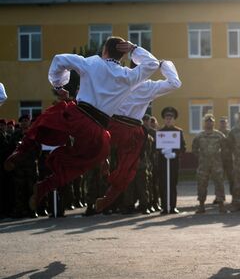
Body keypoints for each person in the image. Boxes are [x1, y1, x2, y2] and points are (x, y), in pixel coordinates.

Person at [4, 37, 159, 210]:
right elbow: (152, 64)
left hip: (77, 114)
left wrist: (58, 85)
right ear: (122, 55)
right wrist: (134, 49)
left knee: (44, 121)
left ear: (104, 50)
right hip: (97, 129)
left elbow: (59, 59)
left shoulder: (92, 63)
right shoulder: (128, 76)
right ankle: (46, 187)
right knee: (80, 164)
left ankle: (20, 152)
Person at [95, 59, 181, 212]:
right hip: (131, 128)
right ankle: (109, 197)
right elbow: (174, 83)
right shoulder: (148, 86)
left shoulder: (119, 81)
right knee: (127, 169)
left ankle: (103, 162)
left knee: (102, 152)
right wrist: (164, 65)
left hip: (112, 125)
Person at [193, 113, 228, 214]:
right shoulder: (199, 136)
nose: (209, 123)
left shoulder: (219, 135)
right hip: (203, 165)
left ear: (213, 123)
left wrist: (219, 158)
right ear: (204, 123)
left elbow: (225, 149)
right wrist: (201, 157)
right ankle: (201, 206)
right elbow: (194, 149)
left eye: (211, 121)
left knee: (219, 184)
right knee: (202, 184)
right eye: (207, 121)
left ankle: (221, 205)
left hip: (216, 164)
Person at [156, 106, 186, 214]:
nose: (168, 119)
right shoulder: (160, 132)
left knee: (172, 184)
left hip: (173, 162)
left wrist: (175, 154)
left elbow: (183, 147)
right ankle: (164, 207)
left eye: (171, 118)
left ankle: (173, 207)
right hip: (163, 162)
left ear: (174, 119)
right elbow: (156, 147)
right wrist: (161, 151)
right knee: (163, 185)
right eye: (166, 118)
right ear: (164, 119)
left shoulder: (178, 132)